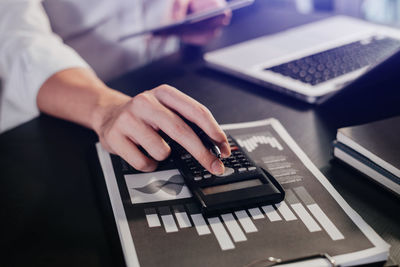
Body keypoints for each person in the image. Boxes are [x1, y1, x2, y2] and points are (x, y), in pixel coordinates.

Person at [0, 0, 232, 175]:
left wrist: (194, 8)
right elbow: (15, 40)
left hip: (169, 75)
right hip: (66, 112)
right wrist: (108, 110)